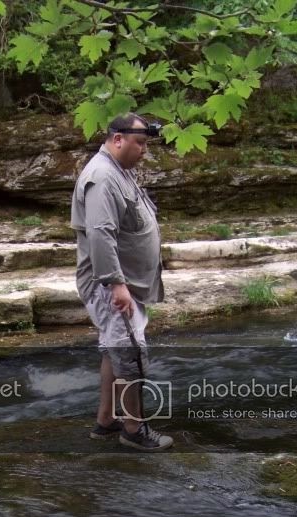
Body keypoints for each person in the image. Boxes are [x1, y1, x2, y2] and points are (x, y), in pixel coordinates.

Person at [71, 113, 174, 452]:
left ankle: (105, 420)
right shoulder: (102, 176)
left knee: (113, 349)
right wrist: (116, 284)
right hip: (112, 285)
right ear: (118, 139)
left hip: (124, 282)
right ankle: (134, 429)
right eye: (140, 143)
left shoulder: (119, 171)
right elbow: (101, 234)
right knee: (130, 354)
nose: (144, 150)